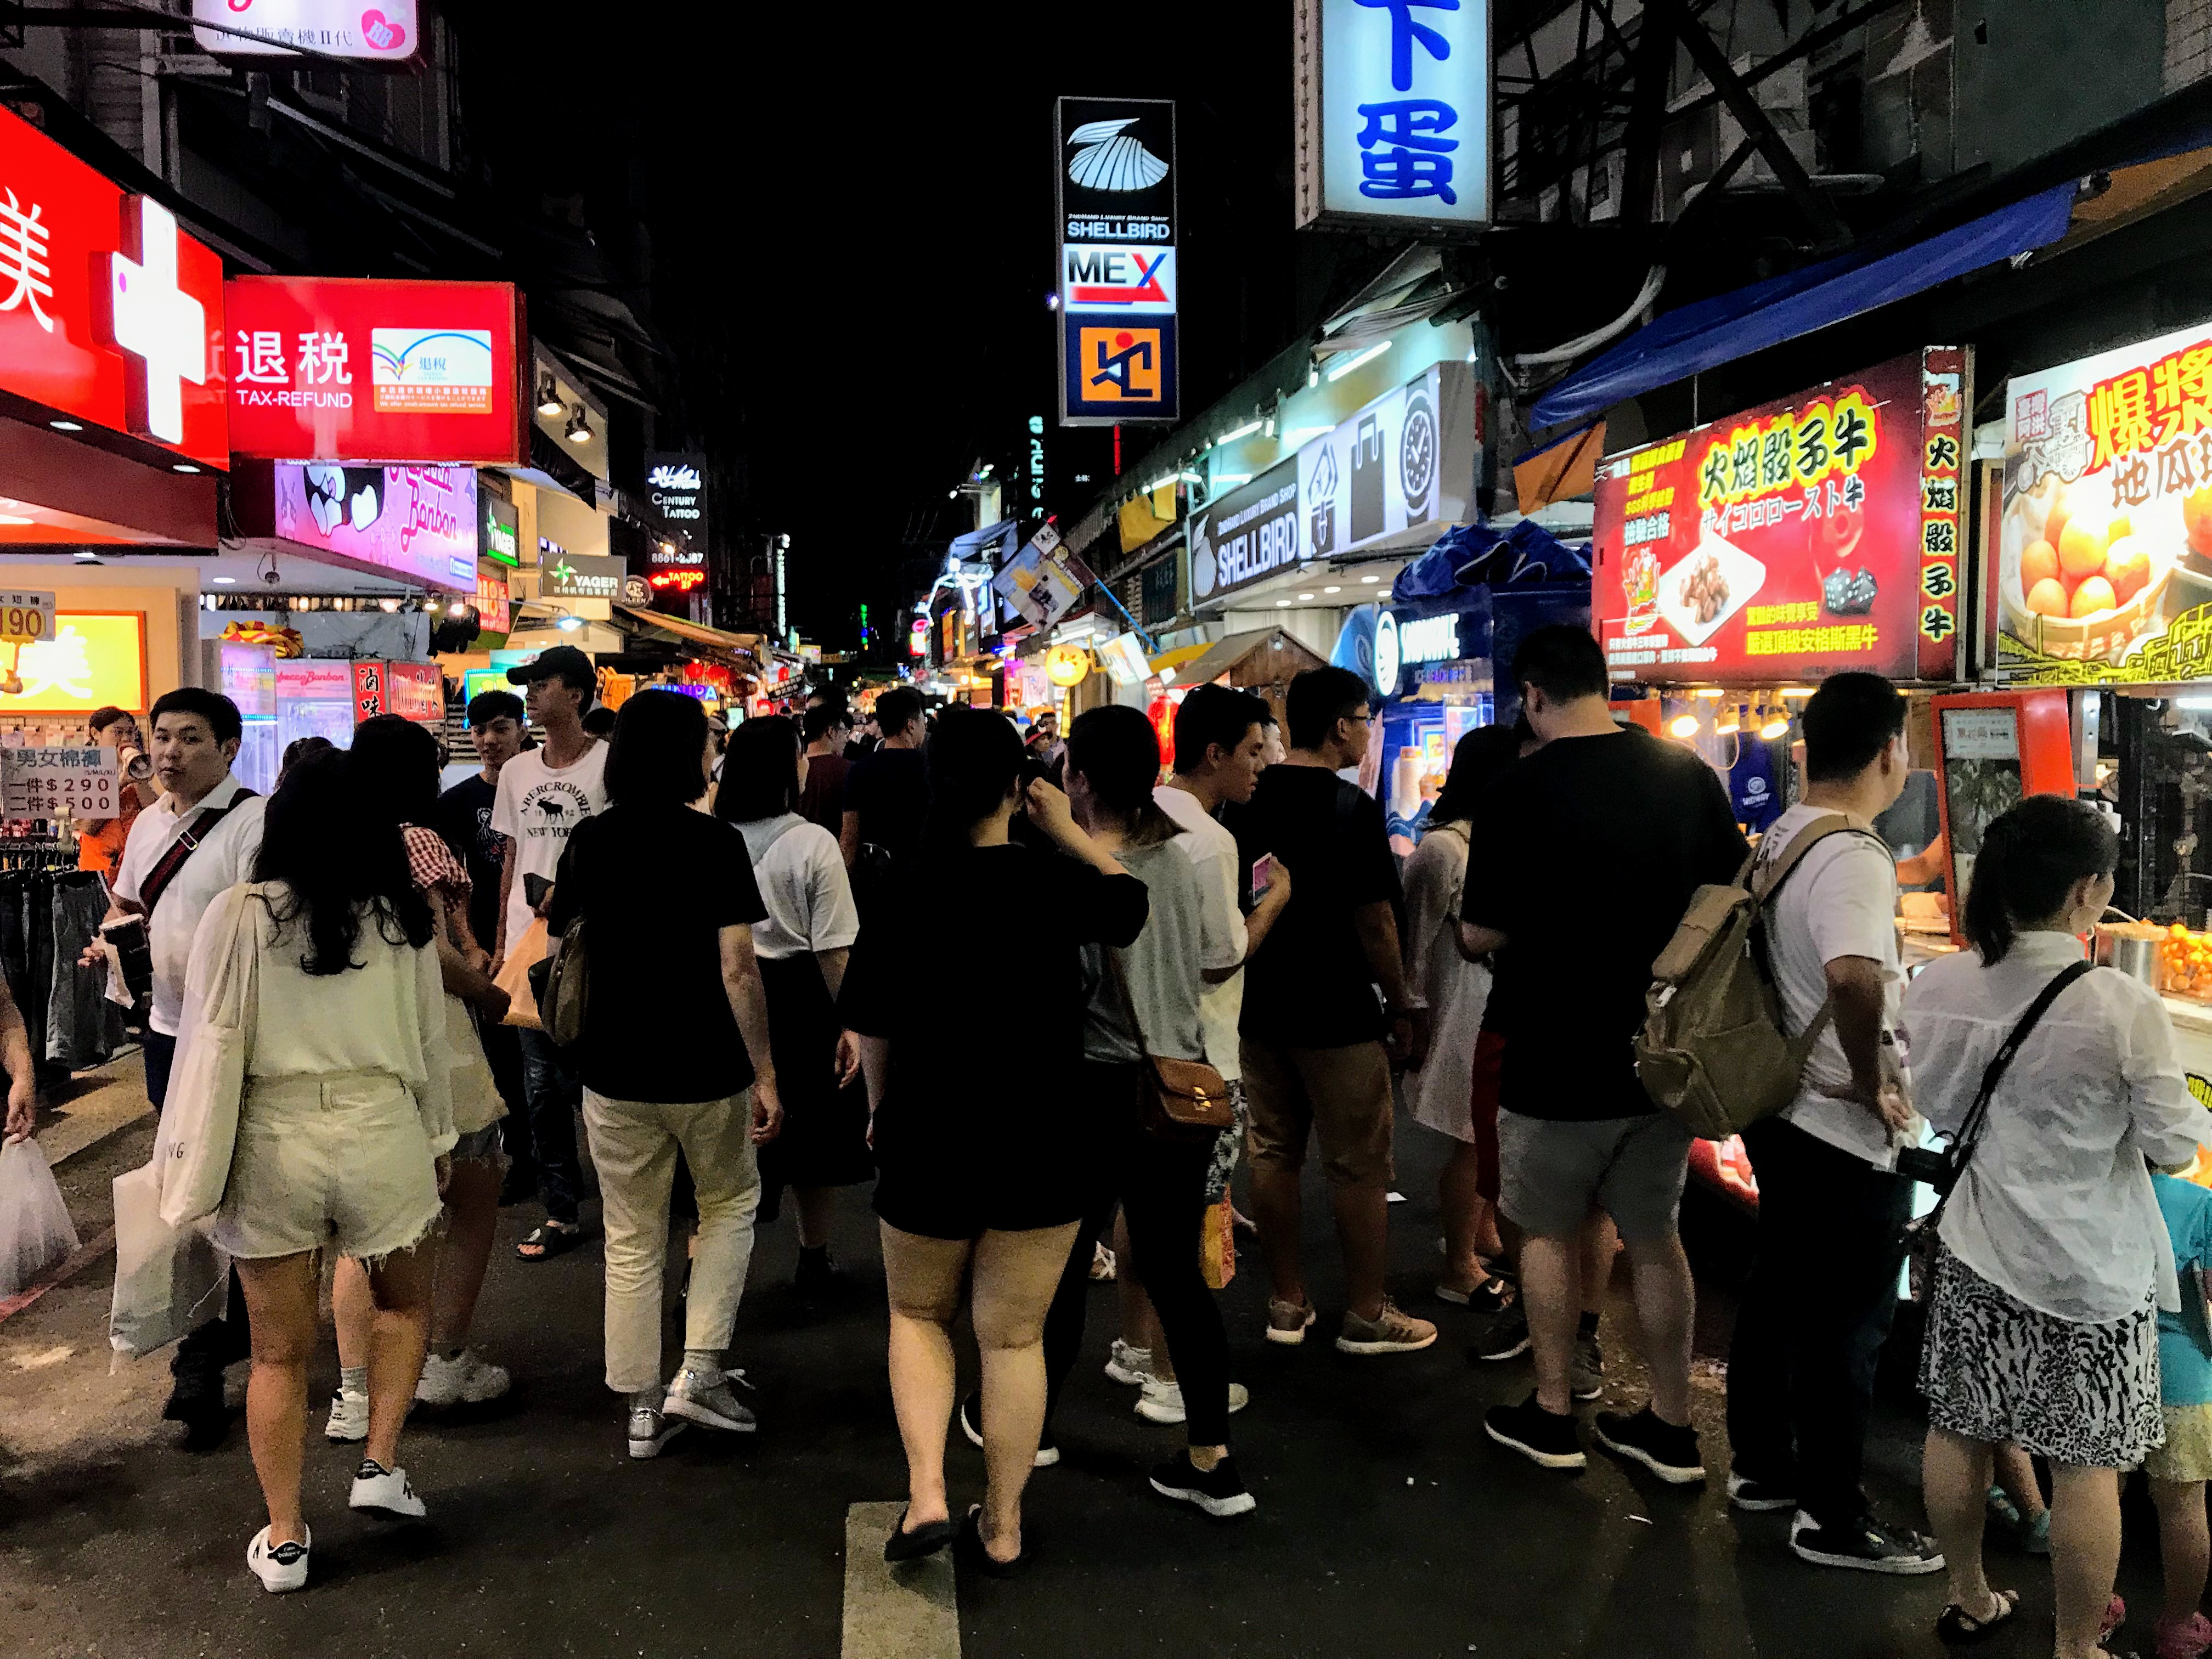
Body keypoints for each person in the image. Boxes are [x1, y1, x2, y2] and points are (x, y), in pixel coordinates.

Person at [840, 707, 1147, 1571]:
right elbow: (1129, 902)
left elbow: (874, 1025)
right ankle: (1004, 1524)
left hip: (929, 1131)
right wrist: (1068, 832)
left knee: (918, 1314)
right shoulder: (1050, 881)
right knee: (1013, 1338)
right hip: (1047, 1136)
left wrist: (879, 1110)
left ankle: (928, 1493)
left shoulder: (903, 886)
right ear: (1020, 786)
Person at [1909, 795, 2209, 1658]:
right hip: (2094, 1277)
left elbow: (1929, 1104)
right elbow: (2176, 1146)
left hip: (1975, 1251)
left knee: (1959, 1429)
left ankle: (1969, 1596)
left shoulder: (1943, 982)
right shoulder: (2118, 1004)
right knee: (2088, 1467)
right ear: (2087, 892)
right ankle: (2076, 1646)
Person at [1459, 627, 1744, 1481]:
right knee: (1656, 1236)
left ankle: (1552, 1415)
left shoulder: (1517, 792)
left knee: (1543, 1234)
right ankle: (1671, 1425)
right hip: (1660, 1059)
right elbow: (1731, 895)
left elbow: (1478, 932)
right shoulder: (1683, 777)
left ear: (1534, 696)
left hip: (1550, 1055)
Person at [196, 747, 453, 1593]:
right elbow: (428, 1046)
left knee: (277, 1355)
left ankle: (285, 1538)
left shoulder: (241, 912)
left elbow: (208, 1032)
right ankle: (379, 1461)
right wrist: (439, 1143)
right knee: (404, 1302)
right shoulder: (402, 919)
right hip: (383, 1128)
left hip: (272, 1134)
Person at [1006, 704, 1254, 1518]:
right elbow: (1221, 958)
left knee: (1066, 1262)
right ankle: (1212, 1461)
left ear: (1075, 776)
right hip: (1178, 1090)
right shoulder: (1188, 857)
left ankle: (1032, 1428)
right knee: (1178, 1275)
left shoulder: (1079, 874)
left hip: (1093, 1087)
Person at [1723, 672, 1941, 1572]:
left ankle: (1763, 1470)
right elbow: (1852, 975)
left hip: (1778, 1105)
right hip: (1833, 1125)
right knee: (1847, 1325)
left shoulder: (1781, 830)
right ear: (1890, 750)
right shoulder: (1853, 850)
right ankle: (1833, 1519)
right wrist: (1864, 1080)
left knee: (1778, 1293)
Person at [546, 690, 783, 1459]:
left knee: (631, 1232)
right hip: (706, 1064)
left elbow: (561, 948)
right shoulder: (713, 843)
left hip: (612, 1066)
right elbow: (739, 969)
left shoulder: (587, 842)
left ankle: (641, 1408)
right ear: (690, 754)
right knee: (728, 1202)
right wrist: (768, 1073)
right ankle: (702, 1370)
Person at [86, 687, 269, 1449]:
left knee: (240, 1189)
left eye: (189, 739)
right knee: (189, 1191)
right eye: (161, 737)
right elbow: (127, 903)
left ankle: (234, 1344)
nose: (168, 752)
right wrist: (109, 943)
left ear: (228, 749)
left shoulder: (254, 823)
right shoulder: (148, 823)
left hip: (231, 1041)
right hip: (166, 1036)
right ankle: (211, 1344)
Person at [1235, 666, 1436, 1356]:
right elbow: (1376, 922)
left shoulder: (1247, 803)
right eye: (1364, 716)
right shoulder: (1349, 808)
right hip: (1338, 1012)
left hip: (1259, 1005)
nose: (1368, 729)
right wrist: (1403, 1001)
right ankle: (1367, 1311)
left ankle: (1287, 1301)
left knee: (1272, 1151)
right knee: (1357, 1164)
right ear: (1338, 727)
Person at [326, 716, 514, 1441]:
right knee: (472, 1199)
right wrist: (493, 995)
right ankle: (445, 1360)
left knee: (363, 1226)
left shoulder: (326, 845)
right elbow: (433, 955)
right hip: (433, 1043)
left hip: (354, 1046)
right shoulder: (417, 840)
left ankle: (349, 1390)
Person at [1113, 686, 1290, 1407]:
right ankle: (1168, 1379)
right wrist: (1275, 899)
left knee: (1140, 1209)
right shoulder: (1214, 842)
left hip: (1135, 1050)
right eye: (1252, 752)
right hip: (1199, 1062)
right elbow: (1221, 956)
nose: (1260, 766)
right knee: (1183, 1223)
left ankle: (1133, 1346)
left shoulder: (1137, 819)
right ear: (1214, 753)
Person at [713, 715, 867, 1294]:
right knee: (814, 1138)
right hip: (801, 1000)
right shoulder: (811, 843)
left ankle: (704, 1280)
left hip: (727, 995)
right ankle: (814, 1256)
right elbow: (833, 949)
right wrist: (852, 1019)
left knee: (729, 1141)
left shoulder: (710, 832)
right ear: (786, 768)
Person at [489, 645, 607, 1261]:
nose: (531, 694)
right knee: (538, 1087)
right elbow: (513, 856)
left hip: (595, 946)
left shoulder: (610, 768)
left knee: (598, 1081)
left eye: (542, 684)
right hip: (532, 950)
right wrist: (503, 939)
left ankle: (628, 1196)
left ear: (578, 695)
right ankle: (560, 1212)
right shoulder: (517, 773)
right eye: (528, 685)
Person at [1400, 724, 1520, 1312]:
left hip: (1491, 1006)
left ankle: (1482, 1236)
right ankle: (1459, 1267)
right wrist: (1414, 1017)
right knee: (1473, 1140)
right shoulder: (1443, 849)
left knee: (1488, 1136)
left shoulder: (1493, 841)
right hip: (1459, 1011)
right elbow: (1415, 946)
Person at [437, 690, 533, 1199]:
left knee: (549, 1058)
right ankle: (522, 1158)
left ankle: (556, 1155)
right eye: (479, 731)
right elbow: (449, 883)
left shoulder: (539, 787)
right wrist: (471, 944)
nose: (488, 740)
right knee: (502, 1058)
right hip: (486, 950)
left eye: (500, 727)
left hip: (536, 937)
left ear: (521, 728)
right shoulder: (455, 803)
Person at [2149, 1166, 2212, 1659]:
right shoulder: (2198, 1201)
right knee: (2184, 1509)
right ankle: (2179, 1627)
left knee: (2094, 1494)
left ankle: (2095, 1606)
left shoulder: (2093, 1187)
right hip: (2183, 1374)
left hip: (2102, 1369)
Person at [840, 684, 927, 899]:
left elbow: (849, 838)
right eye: (922, 722)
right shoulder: (932, 769)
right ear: (910, 726)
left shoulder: (860, 770)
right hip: (924, 879)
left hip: (876, 882)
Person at [75, 705, 157, 883]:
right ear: (96, 733)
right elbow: (89, 826)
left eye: (130, 733)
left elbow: (156, 814)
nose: (125, 739)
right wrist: (121, 784)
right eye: (118, 733)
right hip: (98, 873)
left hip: (135, 870)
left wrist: (139, 775)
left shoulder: (132, 767)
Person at [799, 703, 854, 836]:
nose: (846, 739)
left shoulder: (793, 768)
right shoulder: (849, 770)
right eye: (843, 731)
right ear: (831, 731)